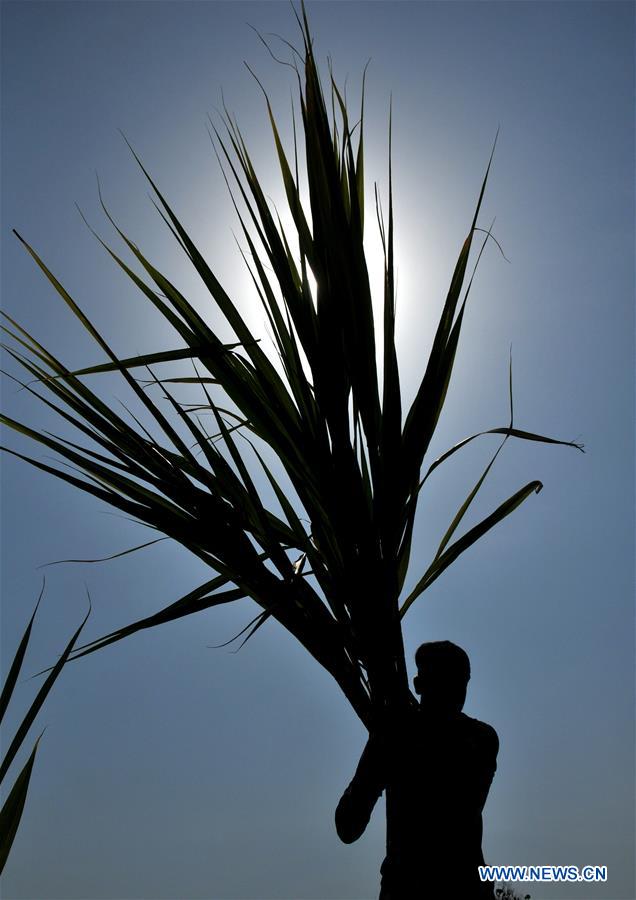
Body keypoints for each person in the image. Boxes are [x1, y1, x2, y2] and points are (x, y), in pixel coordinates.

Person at [335, 641, 499, 899]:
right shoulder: (480, 739)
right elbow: (347, 826)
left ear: (419, 685)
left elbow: (347, 824)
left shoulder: (397, 736)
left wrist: (381, 748)